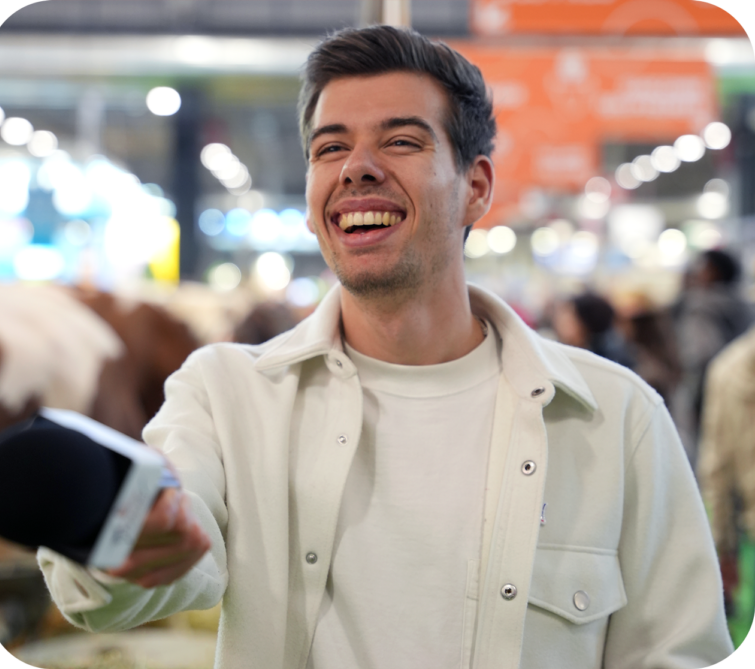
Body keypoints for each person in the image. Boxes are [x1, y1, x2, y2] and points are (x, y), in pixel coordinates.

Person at [38, 26, 733, 668]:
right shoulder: (225, 396)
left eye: (401, 141)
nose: (357, 168)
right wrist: (122, 540)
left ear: (476, 188)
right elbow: (160, 558)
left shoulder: (616, 420)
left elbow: (676, 651)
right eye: (330, 147)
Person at [671, 249, 752, 467]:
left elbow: (700, 355)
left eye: (702, 268)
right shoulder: (743, 304)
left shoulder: (700, 306)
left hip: (709, 390)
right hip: (745, 387)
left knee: (712, 457)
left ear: (715, 272)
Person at [698, 326, 755, 622]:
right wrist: (722, 548)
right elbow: (717, 470)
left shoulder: (728, 370)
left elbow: (716, 469)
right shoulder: (731, 373)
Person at [552, 291, 635, 370]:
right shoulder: (558, 353)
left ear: (585, 323)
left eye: (568, 317)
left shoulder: (609, 361)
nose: (560, 321)